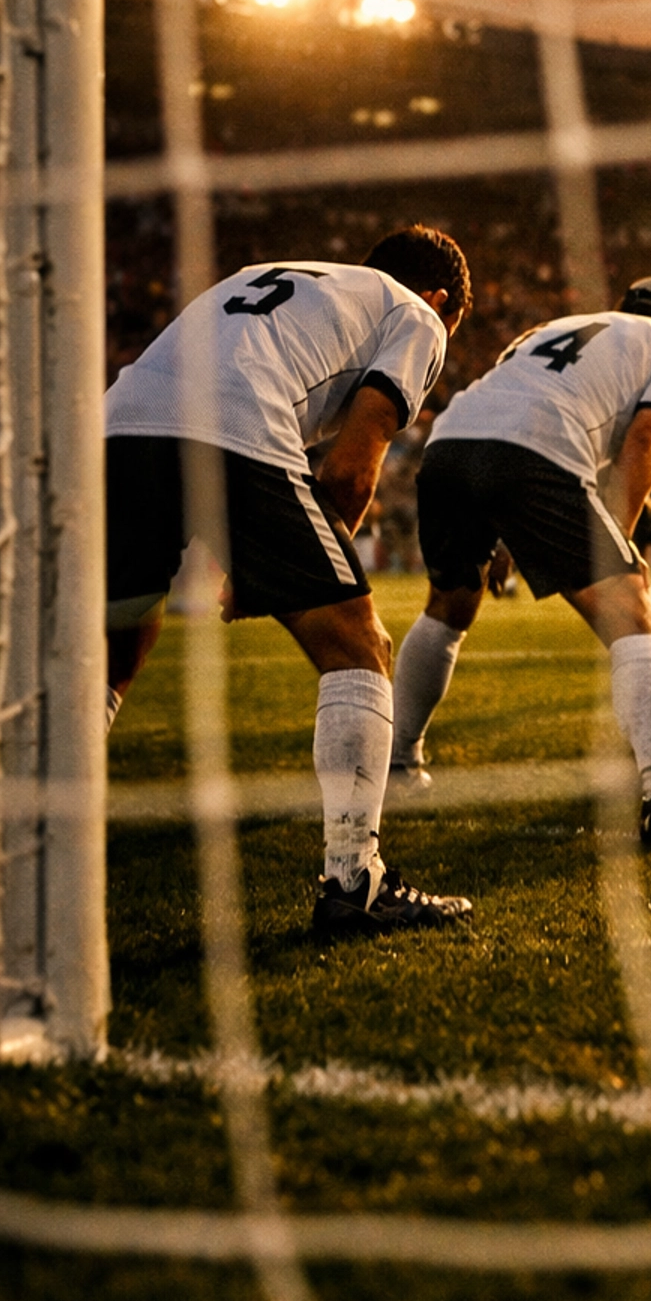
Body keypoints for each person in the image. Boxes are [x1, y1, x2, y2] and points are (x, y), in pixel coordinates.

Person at [103, 225, 475, 938]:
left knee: (115, 647)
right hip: (234, 426)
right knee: (360, 648)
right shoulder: (418, 313)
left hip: (119, 426)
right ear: (439, 298)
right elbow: (348, 467)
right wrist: (281, 573)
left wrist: (260, 565)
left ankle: (38, 838)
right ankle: (353, 880)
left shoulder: (279, 274)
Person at [388, 276, 651, 845]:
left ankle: (398, 765)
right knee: (633, 612)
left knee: (450, 604)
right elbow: (648, 437)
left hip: (450, 444)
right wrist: (623, 545)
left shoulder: (554, 330)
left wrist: (507, 533)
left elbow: (516, 407)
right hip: (534, 448)